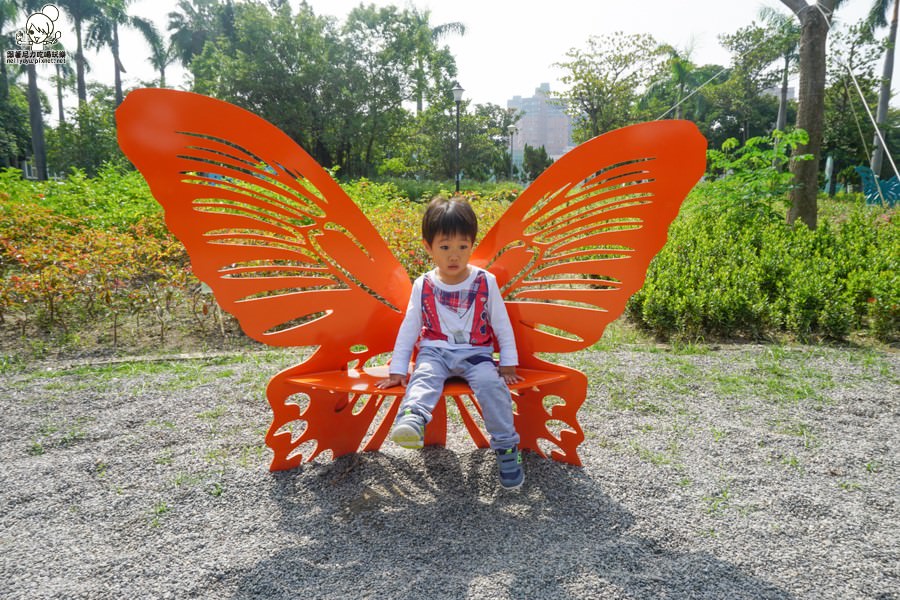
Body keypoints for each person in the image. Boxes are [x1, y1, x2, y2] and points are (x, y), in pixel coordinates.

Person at [376, 196, 525, 490]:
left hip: (477, 354)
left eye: (462, 247)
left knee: (491, 386)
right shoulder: (424, 284)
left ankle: (507, 449)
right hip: (436, 352)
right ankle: (412, 419)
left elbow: (501, 324)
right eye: (445, 247)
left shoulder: (485, 281)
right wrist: (398, 367)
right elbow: (410, 327)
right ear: (428, 247)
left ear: (472, 245)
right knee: (425, 377)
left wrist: (508, 362)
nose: (454, 256)